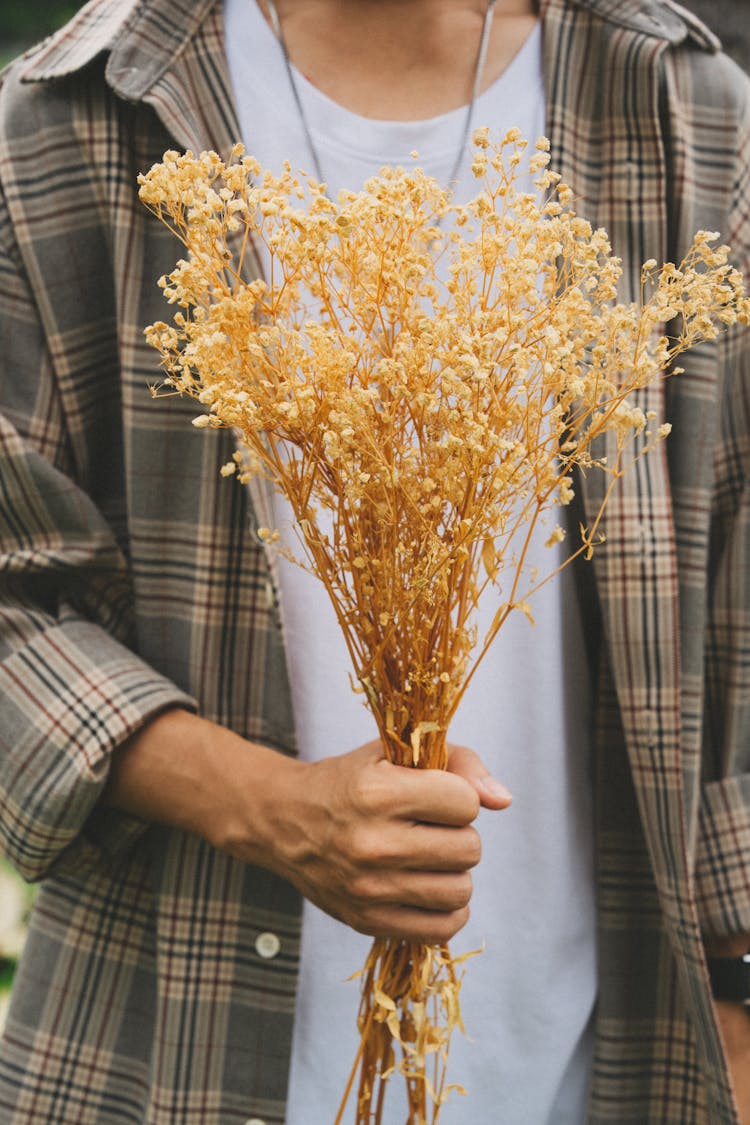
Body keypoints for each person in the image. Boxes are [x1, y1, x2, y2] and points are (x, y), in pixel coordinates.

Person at [0, 0, 747, 1122]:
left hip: (616, 1063)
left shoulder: (691, 116)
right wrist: (272, 807)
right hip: (166, 1059)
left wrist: (737, 1006)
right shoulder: (70, 119)